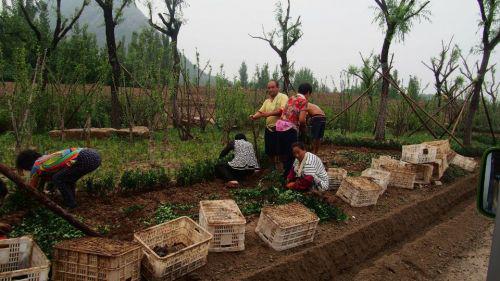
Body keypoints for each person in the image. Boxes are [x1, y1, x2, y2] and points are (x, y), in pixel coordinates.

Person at [16, 148, 101, 209]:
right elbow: (42, 180)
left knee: (57, 178)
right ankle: (72, 200)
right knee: (67, 178)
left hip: (84, 157)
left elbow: (32, 188)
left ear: (25, 164)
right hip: (94, 155)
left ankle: (71, 204)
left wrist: (24, 199)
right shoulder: (46, 159)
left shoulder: (36, 165)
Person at [250, 80, 288, 169]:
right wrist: (254, 116)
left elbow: (282, 111)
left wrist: (268, 114)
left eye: (273, 87)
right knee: (270, 151)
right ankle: (272, 170)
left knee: (280, 152)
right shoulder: (267, 101)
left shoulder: (283, 97)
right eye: (269, 88)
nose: (270, 89)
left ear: (278, 88)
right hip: (269, 129)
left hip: (280, 129)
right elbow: (260, 111)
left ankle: (280, 170)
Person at [276, 83, 309, 177]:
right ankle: (289, 177)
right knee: (292, 154)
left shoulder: (291, 98)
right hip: (290, 129)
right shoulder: (303, 101)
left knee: (284, 154)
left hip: (279, 127)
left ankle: (283, 174)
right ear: (308, 93)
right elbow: (302, 120)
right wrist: (304, 129)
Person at [302, 83, 326, 154]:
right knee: (318, 137)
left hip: (316, 117)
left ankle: (311, 153)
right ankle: (315, 153)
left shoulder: (305, 103)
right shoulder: (312, 105)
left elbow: (305, 116)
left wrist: (305, 125)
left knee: (313, 137)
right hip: (323, 118)